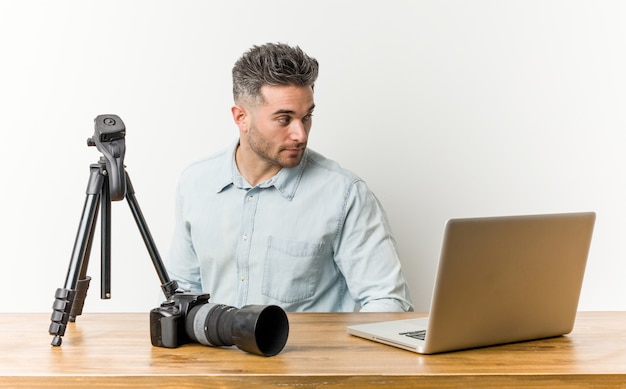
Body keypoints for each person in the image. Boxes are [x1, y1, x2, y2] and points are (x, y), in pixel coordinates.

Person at [166, 43, 413, 312]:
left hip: (312, 354)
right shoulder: (195, 184)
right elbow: (181, 291)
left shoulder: (344, 194)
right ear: (241, 117)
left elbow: (388, 302)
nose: (301, 134)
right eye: (284, 119)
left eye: (307, 117)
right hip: (214, 353)